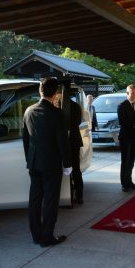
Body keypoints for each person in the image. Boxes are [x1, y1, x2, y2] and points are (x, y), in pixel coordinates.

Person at [22, 78, 72, 247]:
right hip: (51, 164)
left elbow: (26, 140)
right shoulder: (57, 113)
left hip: (34, 162)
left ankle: (36, 235)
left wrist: (29, 159)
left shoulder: (28, 111)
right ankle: (47, 237)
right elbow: (62, 141)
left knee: (35, 200)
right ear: (55, 93)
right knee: (50, 201)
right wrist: (67, 163)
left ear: (40, 91)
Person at [117, 84, 135, 192]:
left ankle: (129, 181)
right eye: (132, 93)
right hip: (125, 137)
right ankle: (124, 183)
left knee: (131, 161)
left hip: (134, 137)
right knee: (125, 161)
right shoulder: (121, 105)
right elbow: (122, 122)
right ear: (127, 93)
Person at [69, 98, 84, 204]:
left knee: (72, 169)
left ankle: (72, 193)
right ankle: (79, 195)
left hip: (70, 140)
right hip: (75, 140)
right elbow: (78, 122)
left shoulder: (57, 107)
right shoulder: (75, 106)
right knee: (76, 169)